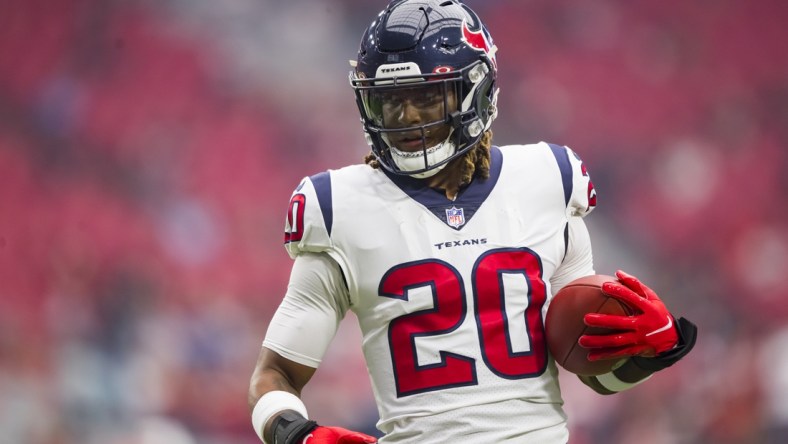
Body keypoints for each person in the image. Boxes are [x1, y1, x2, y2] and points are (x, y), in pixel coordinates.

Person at [247, 1, 697, 443]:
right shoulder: (339, 207)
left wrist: (649, 350)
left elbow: (592, 372)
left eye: (424, 97)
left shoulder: (546, 182)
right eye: (390, 101)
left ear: (476, 91)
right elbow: (274, 374)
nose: (405, 118)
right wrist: (297, 434)